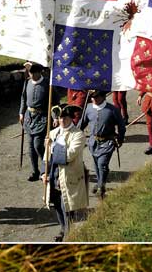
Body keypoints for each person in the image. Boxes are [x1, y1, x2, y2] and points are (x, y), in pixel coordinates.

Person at [45, 103, 87, 241]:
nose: (62, 121)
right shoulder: (52, 133)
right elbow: (46, 158)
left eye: (65, 118)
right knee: (56, 203)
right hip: (54, 175)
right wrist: (43, 172)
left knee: (67, 207)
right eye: (60, 118)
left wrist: (52, 146)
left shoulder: (78, 135)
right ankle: (63, 228)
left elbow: (68, 156)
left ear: (71, 118)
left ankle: (70, 236)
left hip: (69, 176)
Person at [80, 90, 125, 198]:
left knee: (102, 164)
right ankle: (100, 182)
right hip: (93, 142)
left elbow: (121, 125)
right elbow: (81, 124)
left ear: (103, 96)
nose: (93, 99)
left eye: (96, 97)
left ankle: (102, 186)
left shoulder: (112, 110)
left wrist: (120, 138)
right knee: (96, 164)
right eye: (92, 97)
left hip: (107, 142)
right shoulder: (89, 109)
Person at [19, 62, 48, 181]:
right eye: (29, 73)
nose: (30, 75)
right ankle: (35, 171)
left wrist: (55, 117)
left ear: (39, 72)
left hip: (42, 118)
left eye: (32, 73)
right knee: (30, 147)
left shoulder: (47, 84)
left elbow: (55, 102)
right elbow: (23, 98)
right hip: (28, 117)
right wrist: (21, 112)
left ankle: (45, 169)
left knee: (38, 145)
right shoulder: (27, 82)